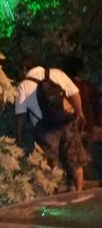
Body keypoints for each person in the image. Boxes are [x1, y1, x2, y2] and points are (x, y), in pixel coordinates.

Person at [15, 59, 89, 191]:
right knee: (76, 162)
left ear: (24, 70)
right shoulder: (56, 73)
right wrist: (80, 113)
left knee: (50, 167)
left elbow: (20, 115)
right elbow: (74, 94)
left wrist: (19, 138)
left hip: (45, 130)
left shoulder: (23, 85)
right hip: (67, 123)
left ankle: (53, 199)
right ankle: (79, 193)